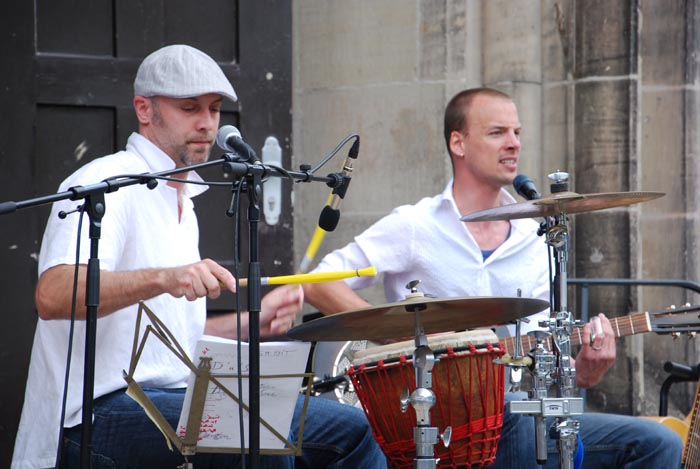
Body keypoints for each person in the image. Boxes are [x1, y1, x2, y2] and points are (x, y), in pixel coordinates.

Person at [12, 44, 386, 469]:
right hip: (94, 413)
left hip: (171, 396)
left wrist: (251, 323)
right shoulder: (105, 183)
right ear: (144, 110)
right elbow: (53, 295)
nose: (207, 123)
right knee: (262, 438)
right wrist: (165, 277)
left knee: (351, 427)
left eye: (214, 109)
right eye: (190, 108)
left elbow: (175, 341)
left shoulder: (183, 199)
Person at [304, 88, 683, 467]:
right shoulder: (415, 225)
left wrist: (584, 371)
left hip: (513, 419)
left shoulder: (534, 237)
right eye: (497, 132)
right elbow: (317, 283)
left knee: (657, 443)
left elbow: (534, 359)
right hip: (432, 419)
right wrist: (390, 332)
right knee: (516, 417)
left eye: (517, 133)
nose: (513, 144)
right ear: (459, 143)